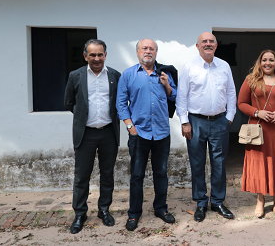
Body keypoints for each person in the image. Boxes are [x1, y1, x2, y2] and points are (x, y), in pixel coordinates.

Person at [116, 38, 177, 231]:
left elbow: (174, 96)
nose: (148, 51)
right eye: (144, 48)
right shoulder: (128, 74)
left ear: (156, 52)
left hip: (161, 132)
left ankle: (161, 208)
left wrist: (167, 84)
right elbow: (120, 103)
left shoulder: (164, 73)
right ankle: (134, 213)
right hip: (139, 133)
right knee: (136, 175)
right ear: (138, 52)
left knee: (161, 173)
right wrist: (130, 127)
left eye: (151, 48)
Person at [176, 32, 237, 222]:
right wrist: (184, 121)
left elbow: (231, 93)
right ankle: (201, 202)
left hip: (219, 121)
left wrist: (229, 117)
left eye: (211, 41)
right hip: (196, 122)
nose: (208, 44)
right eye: (205, 42)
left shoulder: (224, 66)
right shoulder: (189, 67)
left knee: (219, 162)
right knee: (197, 163)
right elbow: (182, 96)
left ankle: (218, 201)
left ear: (216, 45)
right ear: (197, 46)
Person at [64, 39, 121, 234]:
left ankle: (104, 210)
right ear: (85, 56)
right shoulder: (75, 76)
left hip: (108, 133)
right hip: (85, 133)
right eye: (92, 55)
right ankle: (80, 213)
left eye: (100, 54)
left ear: (105, 55)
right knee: (81, 176)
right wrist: (84, 118)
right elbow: (69, 102)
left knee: (107, 174)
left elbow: (120, 102)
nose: (96, 58)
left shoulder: (115, 76)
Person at [238, 50, 275, 218]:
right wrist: (257, 112)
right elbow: (241, 103)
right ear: (260, 62)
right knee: (259, 164)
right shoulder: (251, 80)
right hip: (257, 129)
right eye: (264, 60)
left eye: (271, 60)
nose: (268, 63)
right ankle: (260, 200)